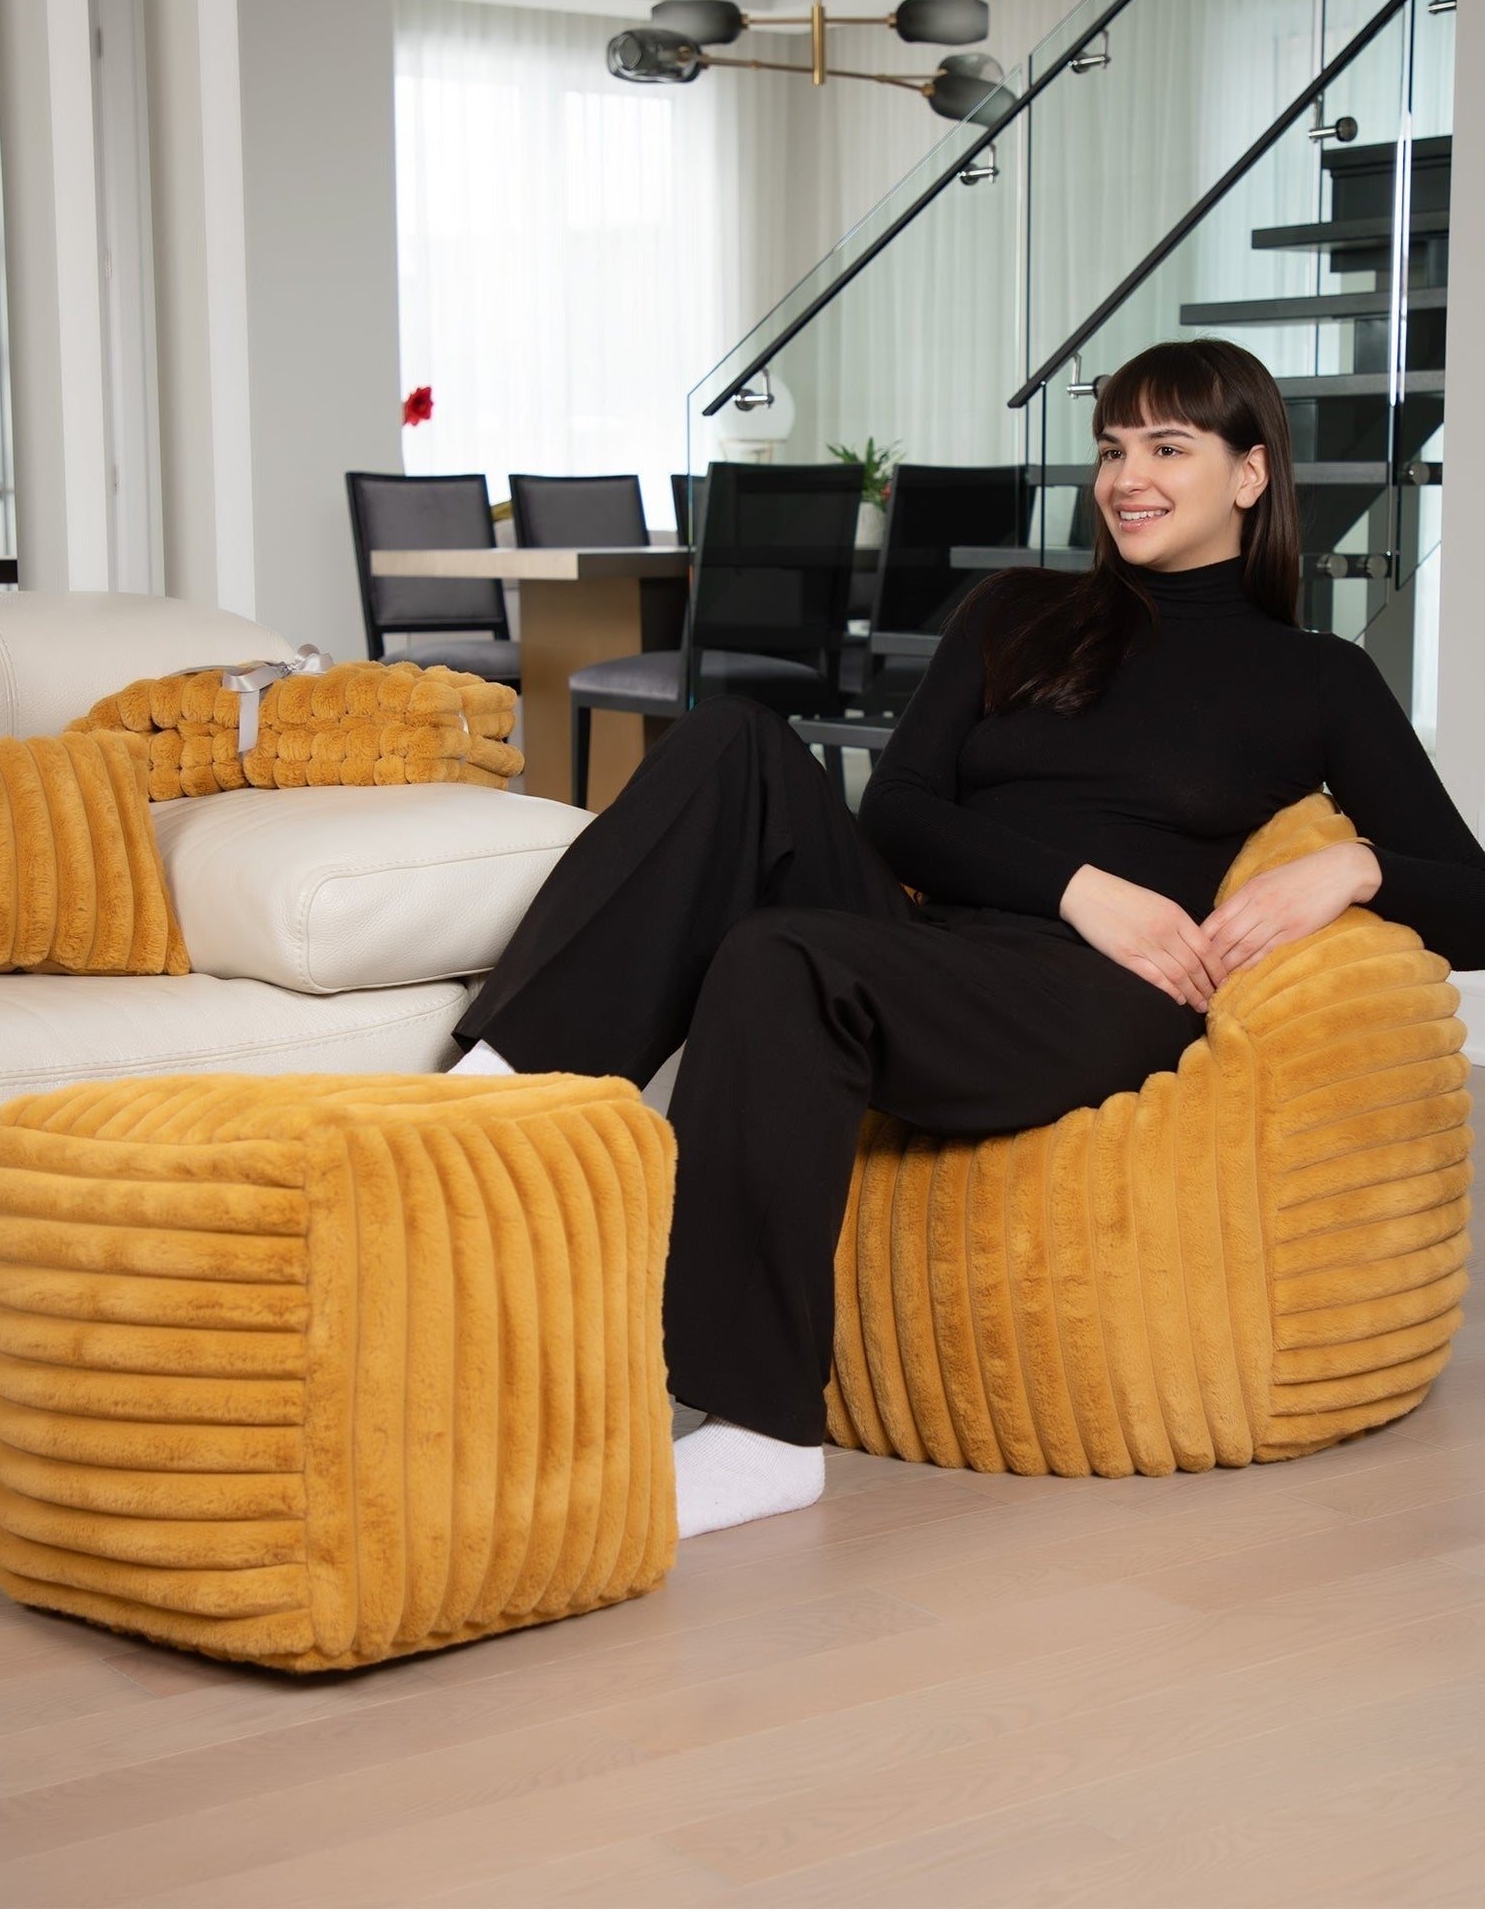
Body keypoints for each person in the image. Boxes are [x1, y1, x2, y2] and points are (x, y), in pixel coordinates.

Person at [449, 337, 1485, 1538]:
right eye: (1110, 449)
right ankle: (495, 1098)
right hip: (950, 935)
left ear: (1249, 476)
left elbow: (1473, 896)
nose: (1124, 476)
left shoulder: (1316, 677)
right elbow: (897, 812)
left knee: (779, 957)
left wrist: (1350, 862)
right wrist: (1075, 883)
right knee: (730, 740)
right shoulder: (1020, 612)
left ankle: (759, 1428)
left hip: (1092, 995)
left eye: (1165, 447)